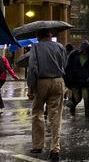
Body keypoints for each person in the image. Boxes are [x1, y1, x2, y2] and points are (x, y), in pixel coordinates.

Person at [26, 30, 67, 162]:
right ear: (50, 35)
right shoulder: (60, 46)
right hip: (58, 80)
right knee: (55, 116)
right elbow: (64, 64)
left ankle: (38, 145)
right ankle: (55, 149)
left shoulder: (36, 47)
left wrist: (31, 88)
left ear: (38, 36)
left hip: (41, 81)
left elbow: (32, 68)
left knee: (37, 112)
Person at [64, 40, 89, 118]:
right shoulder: (73, 54)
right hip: (75, 81)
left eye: (86, 50)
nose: (84, 52)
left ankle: (87, 116)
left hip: (86, 81)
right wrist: (68, 81)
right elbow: (67, 68)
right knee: (78, 98)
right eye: (83, 49)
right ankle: (72, 106)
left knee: (86, 99)